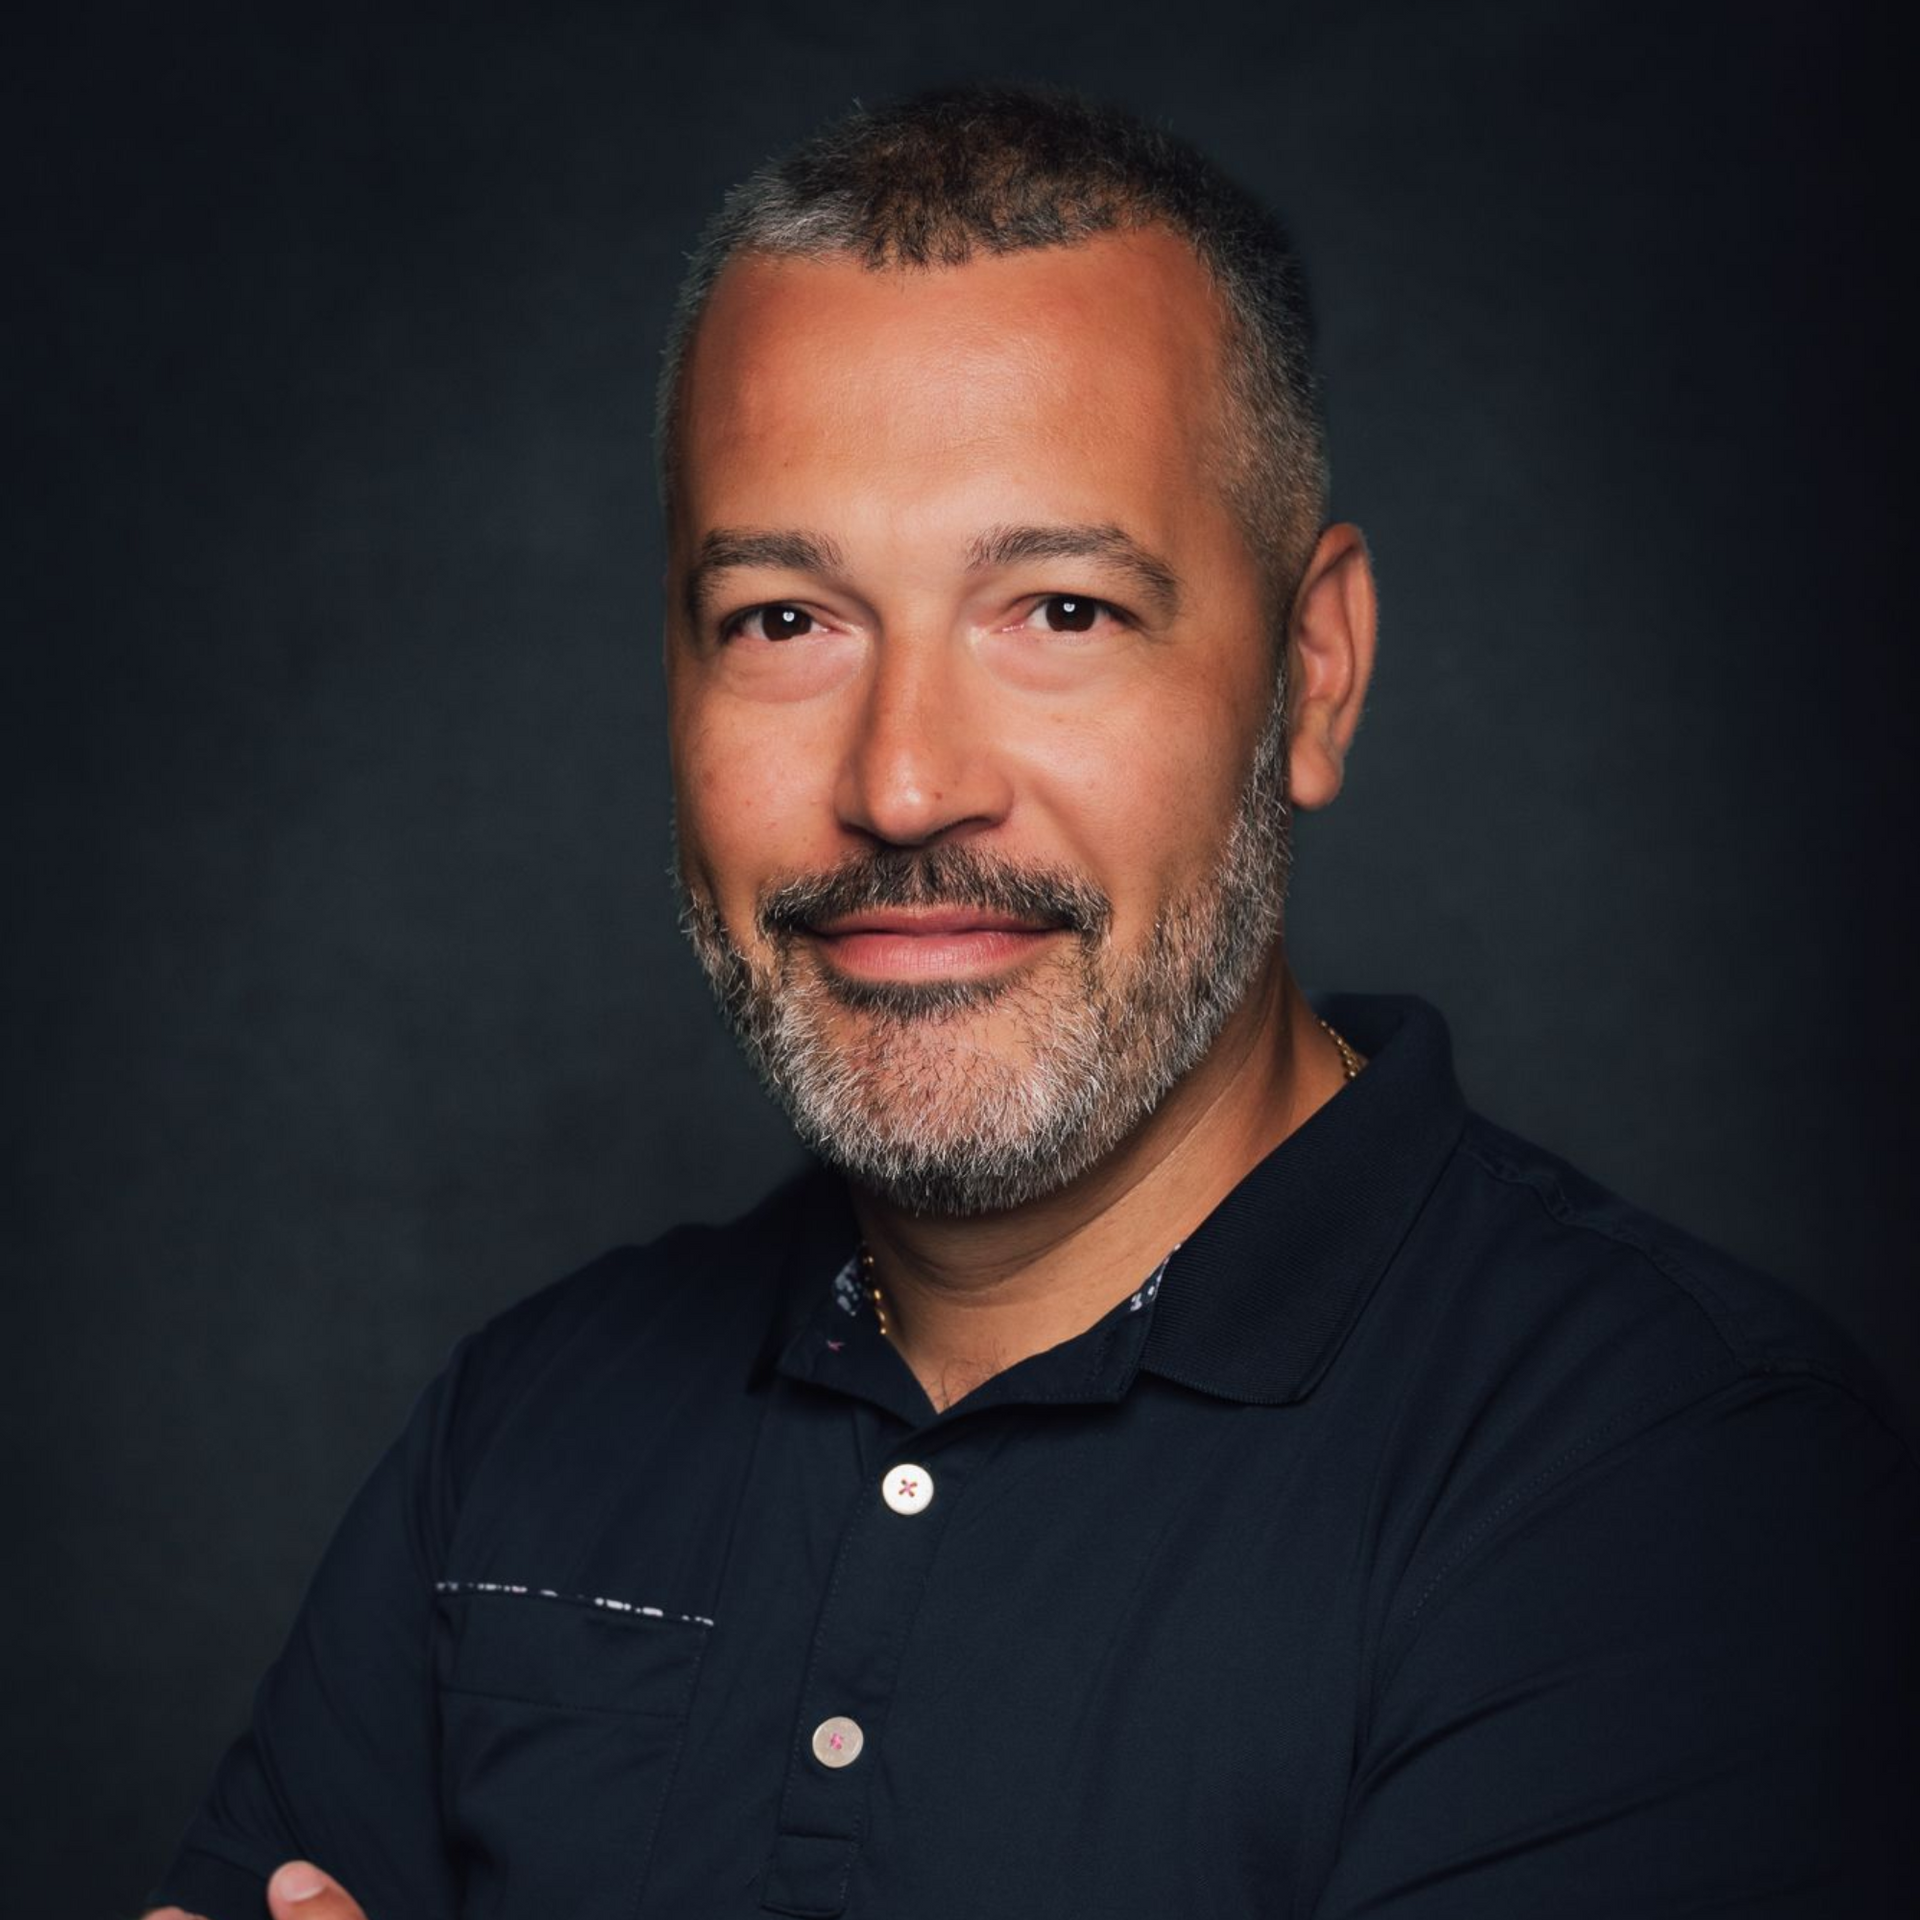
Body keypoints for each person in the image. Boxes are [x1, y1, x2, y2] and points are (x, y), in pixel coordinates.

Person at [147, 85, 1916, 1920]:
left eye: (1060, 611)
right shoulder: (519, 1431)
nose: (904, 783)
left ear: (1311, 674)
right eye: (784, 621)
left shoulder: (1674, 1473)